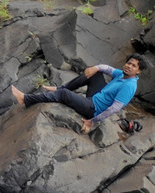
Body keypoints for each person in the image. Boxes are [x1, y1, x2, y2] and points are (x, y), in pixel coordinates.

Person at [10, 53, 146, 134]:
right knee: (95, 74)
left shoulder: (129, 86)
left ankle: (26, 99)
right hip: (95, 97)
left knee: (64, 94)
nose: (129, 66)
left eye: (134, 66)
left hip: (93, 109)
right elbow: (106, 68)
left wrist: (91, 121)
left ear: (138, 71)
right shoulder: (122, 75)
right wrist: (95, 67)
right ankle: (59, 88)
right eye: (129, 63)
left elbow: (114, 109)